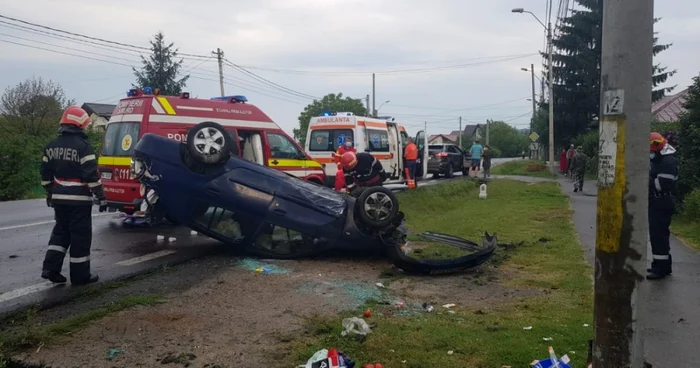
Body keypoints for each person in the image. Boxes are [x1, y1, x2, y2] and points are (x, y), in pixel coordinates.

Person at [40, 106, 106, 285]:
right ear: (80, 125)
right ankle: (80, 276)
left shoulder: (51, 147)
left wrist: (50, 193)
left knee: (60, 232)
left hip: (58, 199)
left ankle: (50, 269)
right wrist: (101, 196)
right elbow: (91, 177)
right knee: (80, 237)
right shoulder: (84, 147)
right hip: (79, 201)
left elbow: (45, 177)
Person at [647, 132, 679, 280]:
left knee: (658, 236)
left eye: (652, 151)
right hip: (658, 203)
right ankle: (662, 265)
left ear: (658, 148)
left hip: (661, 203)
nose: (650, 154)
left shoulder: (668, 162)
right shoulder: (661, 160)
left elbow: (660, 185)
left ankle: (659, 269)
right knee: (659, 236)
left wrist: (645, 176)